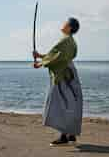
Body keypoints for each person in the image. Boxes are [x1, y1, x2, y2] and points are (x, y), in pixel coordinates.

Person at [33, 17, 83, 146]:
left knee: (61, 105)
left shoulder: (65, 41)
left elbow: (56, 57)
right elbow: (55, 55)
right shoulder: (71, 41)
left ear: (70, 27)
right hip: (69, 75)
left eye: (65, 23)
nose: (63, 24)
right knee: (71, 103)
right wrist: (40, 57)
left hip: (63, 76)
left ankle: (64, 136)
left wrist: (40, 64)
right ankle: (70, 134)